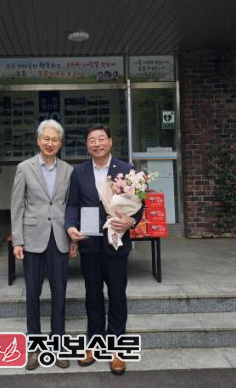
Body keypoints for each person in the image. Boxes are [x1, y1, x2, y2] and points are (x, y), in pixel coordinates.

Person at [65, 124, 143, 375]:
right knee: (93, 295)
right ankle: (94, 342)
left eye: (101, 139)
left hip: (116, 242)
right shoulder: (79, 172)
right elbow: (73, 204)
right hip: (90, 243)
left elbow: (139, 205)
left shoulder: (126, 169)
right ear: (87, 145)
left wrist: (131, 221)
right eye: (92, 140)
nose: (97, 144)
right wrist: (70, 227)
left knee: (117, 295)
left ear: (110, 141)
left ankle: (117, 348)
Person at [11, 119, 76, 370]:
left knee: (59, 293)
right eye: (46, 139)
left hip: (59, 238)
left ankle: (58, 347)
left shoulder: (68, 170)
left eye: (55, 140)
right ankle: (34, 348)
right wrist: (17, 240)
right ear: (38, 141)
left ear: (60, 143)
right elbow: (17, 205)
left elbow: (71, 206)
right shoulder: (24, 168)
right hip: (32, 238)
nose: (50, 143)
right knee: (32, 294)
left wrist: (73, 239)